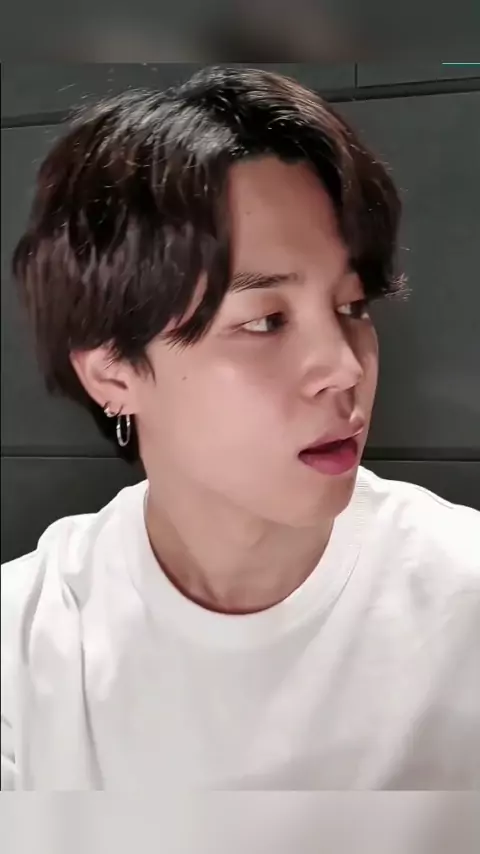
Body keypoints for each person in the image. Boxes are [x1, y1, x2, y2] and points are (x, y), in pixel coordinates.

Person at [1, 65, 479, 793]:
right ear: (113, 373)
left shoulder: (462, 597)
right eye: (265, 321)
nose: (344, 367)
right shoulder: (26, 644)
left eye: (352, 307)